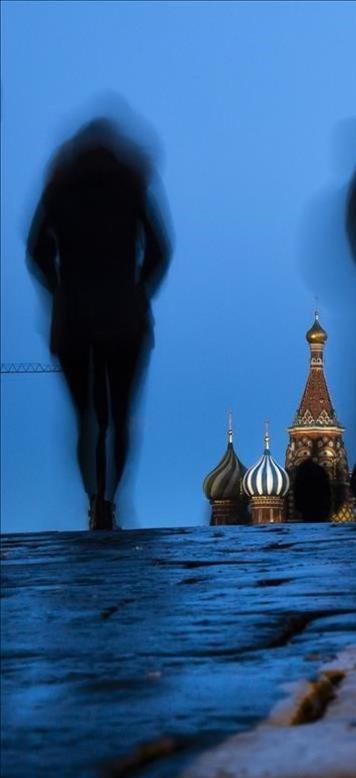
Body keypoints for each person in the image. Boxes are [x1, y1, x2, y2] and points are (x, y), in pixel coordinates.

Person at [26, 117, 171, 530]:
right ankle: (113, 496)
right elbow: (161, 248)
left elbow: (36, 249)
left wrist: (59, 290)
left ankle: (95, 501)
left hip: (74, 319)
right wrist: (139, 290)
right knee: (121, 415)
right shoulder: (129, 185)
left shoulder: (61, 189)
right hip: (124, 317)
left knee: (86, 417)